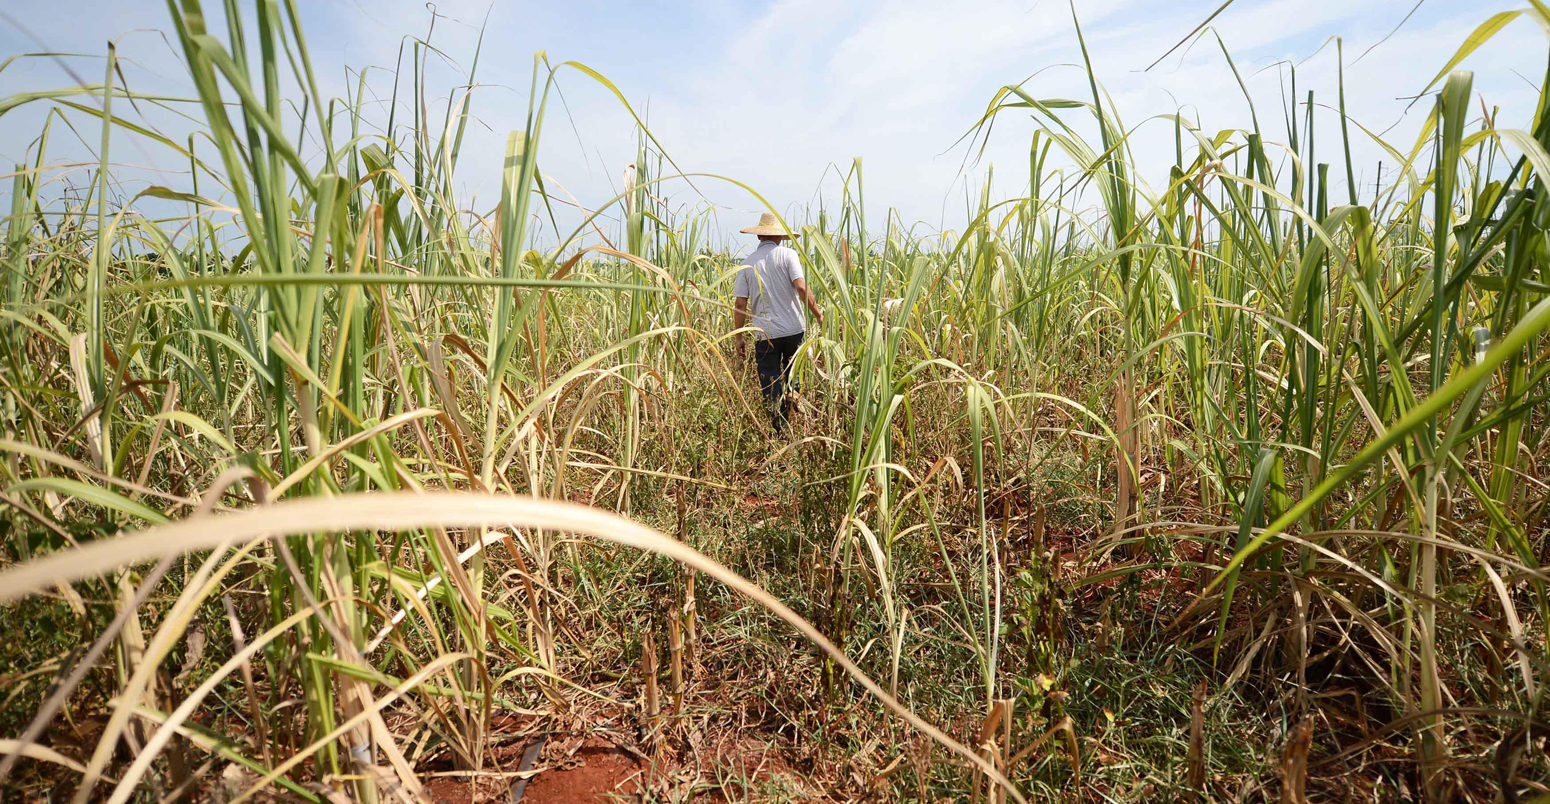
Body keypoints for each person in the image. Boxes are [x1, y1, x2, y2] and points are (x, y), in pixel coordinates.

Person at [732, 212, 823, 432]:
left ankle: (780, 429)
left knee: (771, 381)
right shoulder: (788, 256)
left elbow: (740, 304)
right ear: (781, 236)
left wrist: (739, 337)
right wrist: (818, 313)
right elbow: (801, 288)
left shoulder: (746, 265)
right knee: (793, 372)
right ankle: (794, 401)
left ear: (758, 237)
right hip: (794, 329)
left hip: (766, 334)